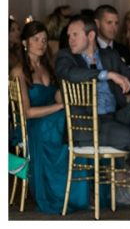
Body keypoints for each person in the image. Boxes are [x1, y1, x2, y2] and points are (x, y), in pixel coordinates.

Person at [55, 15, 130, 218]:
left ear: (90, 35)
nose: (70, 39)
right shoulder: (65, 57)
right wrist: (107, 75)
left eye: (75, 34)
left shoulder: (110, 56)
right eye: (69, 35)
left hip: (115, 116)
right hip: (88, 125)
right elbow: (70, 74)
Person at [10, 21, 92, 214]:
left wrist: (66, 101)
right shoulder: (19, 71)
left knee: (76, 122)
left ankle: (79, 195)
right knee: (65, 123)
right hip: (31, 125)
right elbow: (27, 113)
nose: (41, 44)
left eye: (44, 40)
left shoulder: (49, 67)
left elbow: (58, 97)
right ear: (25, 42)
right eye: (35, 39)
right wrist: (60, 107)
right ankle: (60, 195)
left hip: (53, 120)